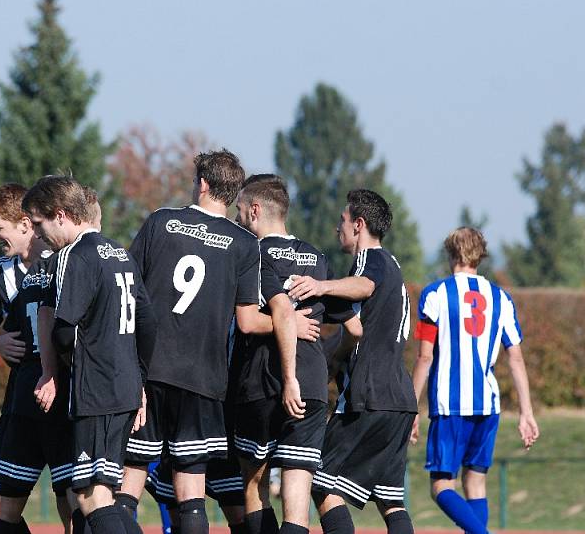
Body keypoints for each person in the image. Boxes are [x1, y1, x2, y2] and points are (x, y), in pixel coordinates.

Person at [120, 149, 265, 534]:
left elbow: (129, 291)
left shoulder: (160, 222)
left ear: (202, 183)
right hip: (204, 380)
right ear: (233, 193)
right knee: (191, 493)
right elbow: (247, 322)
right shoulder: (245, 244)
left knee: (128, 484)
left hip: (149, 373)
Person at [23, 175, 157, 534]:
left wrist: (62, 367)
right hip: (125, 385)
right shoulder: (120, 253)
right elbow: (148, 321)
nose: (37, 234)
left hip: (97, 388)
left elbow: (65, 331)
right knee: (103, 494)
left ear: (62, 215)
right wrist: (139, 379)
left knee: (89, 496)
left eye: (39, 223)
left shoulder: (73, 256)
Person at [233, 175, 360, 534]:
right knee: (297, 503)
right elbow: (354, 328)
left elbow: (256, 318)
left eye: (240, 211)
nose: (238, 218)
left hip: (262, 382)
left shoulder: (251, 253)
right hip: (312, 384)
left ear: (255, 211)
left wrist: (287, 366)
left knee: (254, 485)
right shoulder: (317, 257)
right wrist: (331, 361)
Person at [288, 189, 417, 534]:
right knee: (391, 500)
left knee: (319, 481)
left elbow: (363, 286)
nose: (337, 228)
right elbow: (357, 331)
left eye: (342, 221)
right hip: (400, 400)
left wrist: (319, 285)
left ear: (359, 225)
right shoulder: (395, 267)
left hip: (369, 395)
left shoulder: (370, 259)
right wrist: (330, 355)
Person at [409, 227, 539, 534]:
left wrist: (410, 407)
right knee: (475, 482)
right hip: (487, 404)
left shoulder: (436, 294)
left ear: (451, 254)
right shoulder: (501, 298)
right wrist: (526, 412)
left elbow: (425, 357)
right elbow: (516, 358)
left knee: (441, 486)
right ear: (480, 256)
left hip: (450, 405)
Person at [0, 183, 71, 534]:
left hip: (66, 393)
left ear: (26, 224)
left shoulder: (66, 262)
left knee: (71, 494)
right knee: (2, 498)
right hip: (21, 395)